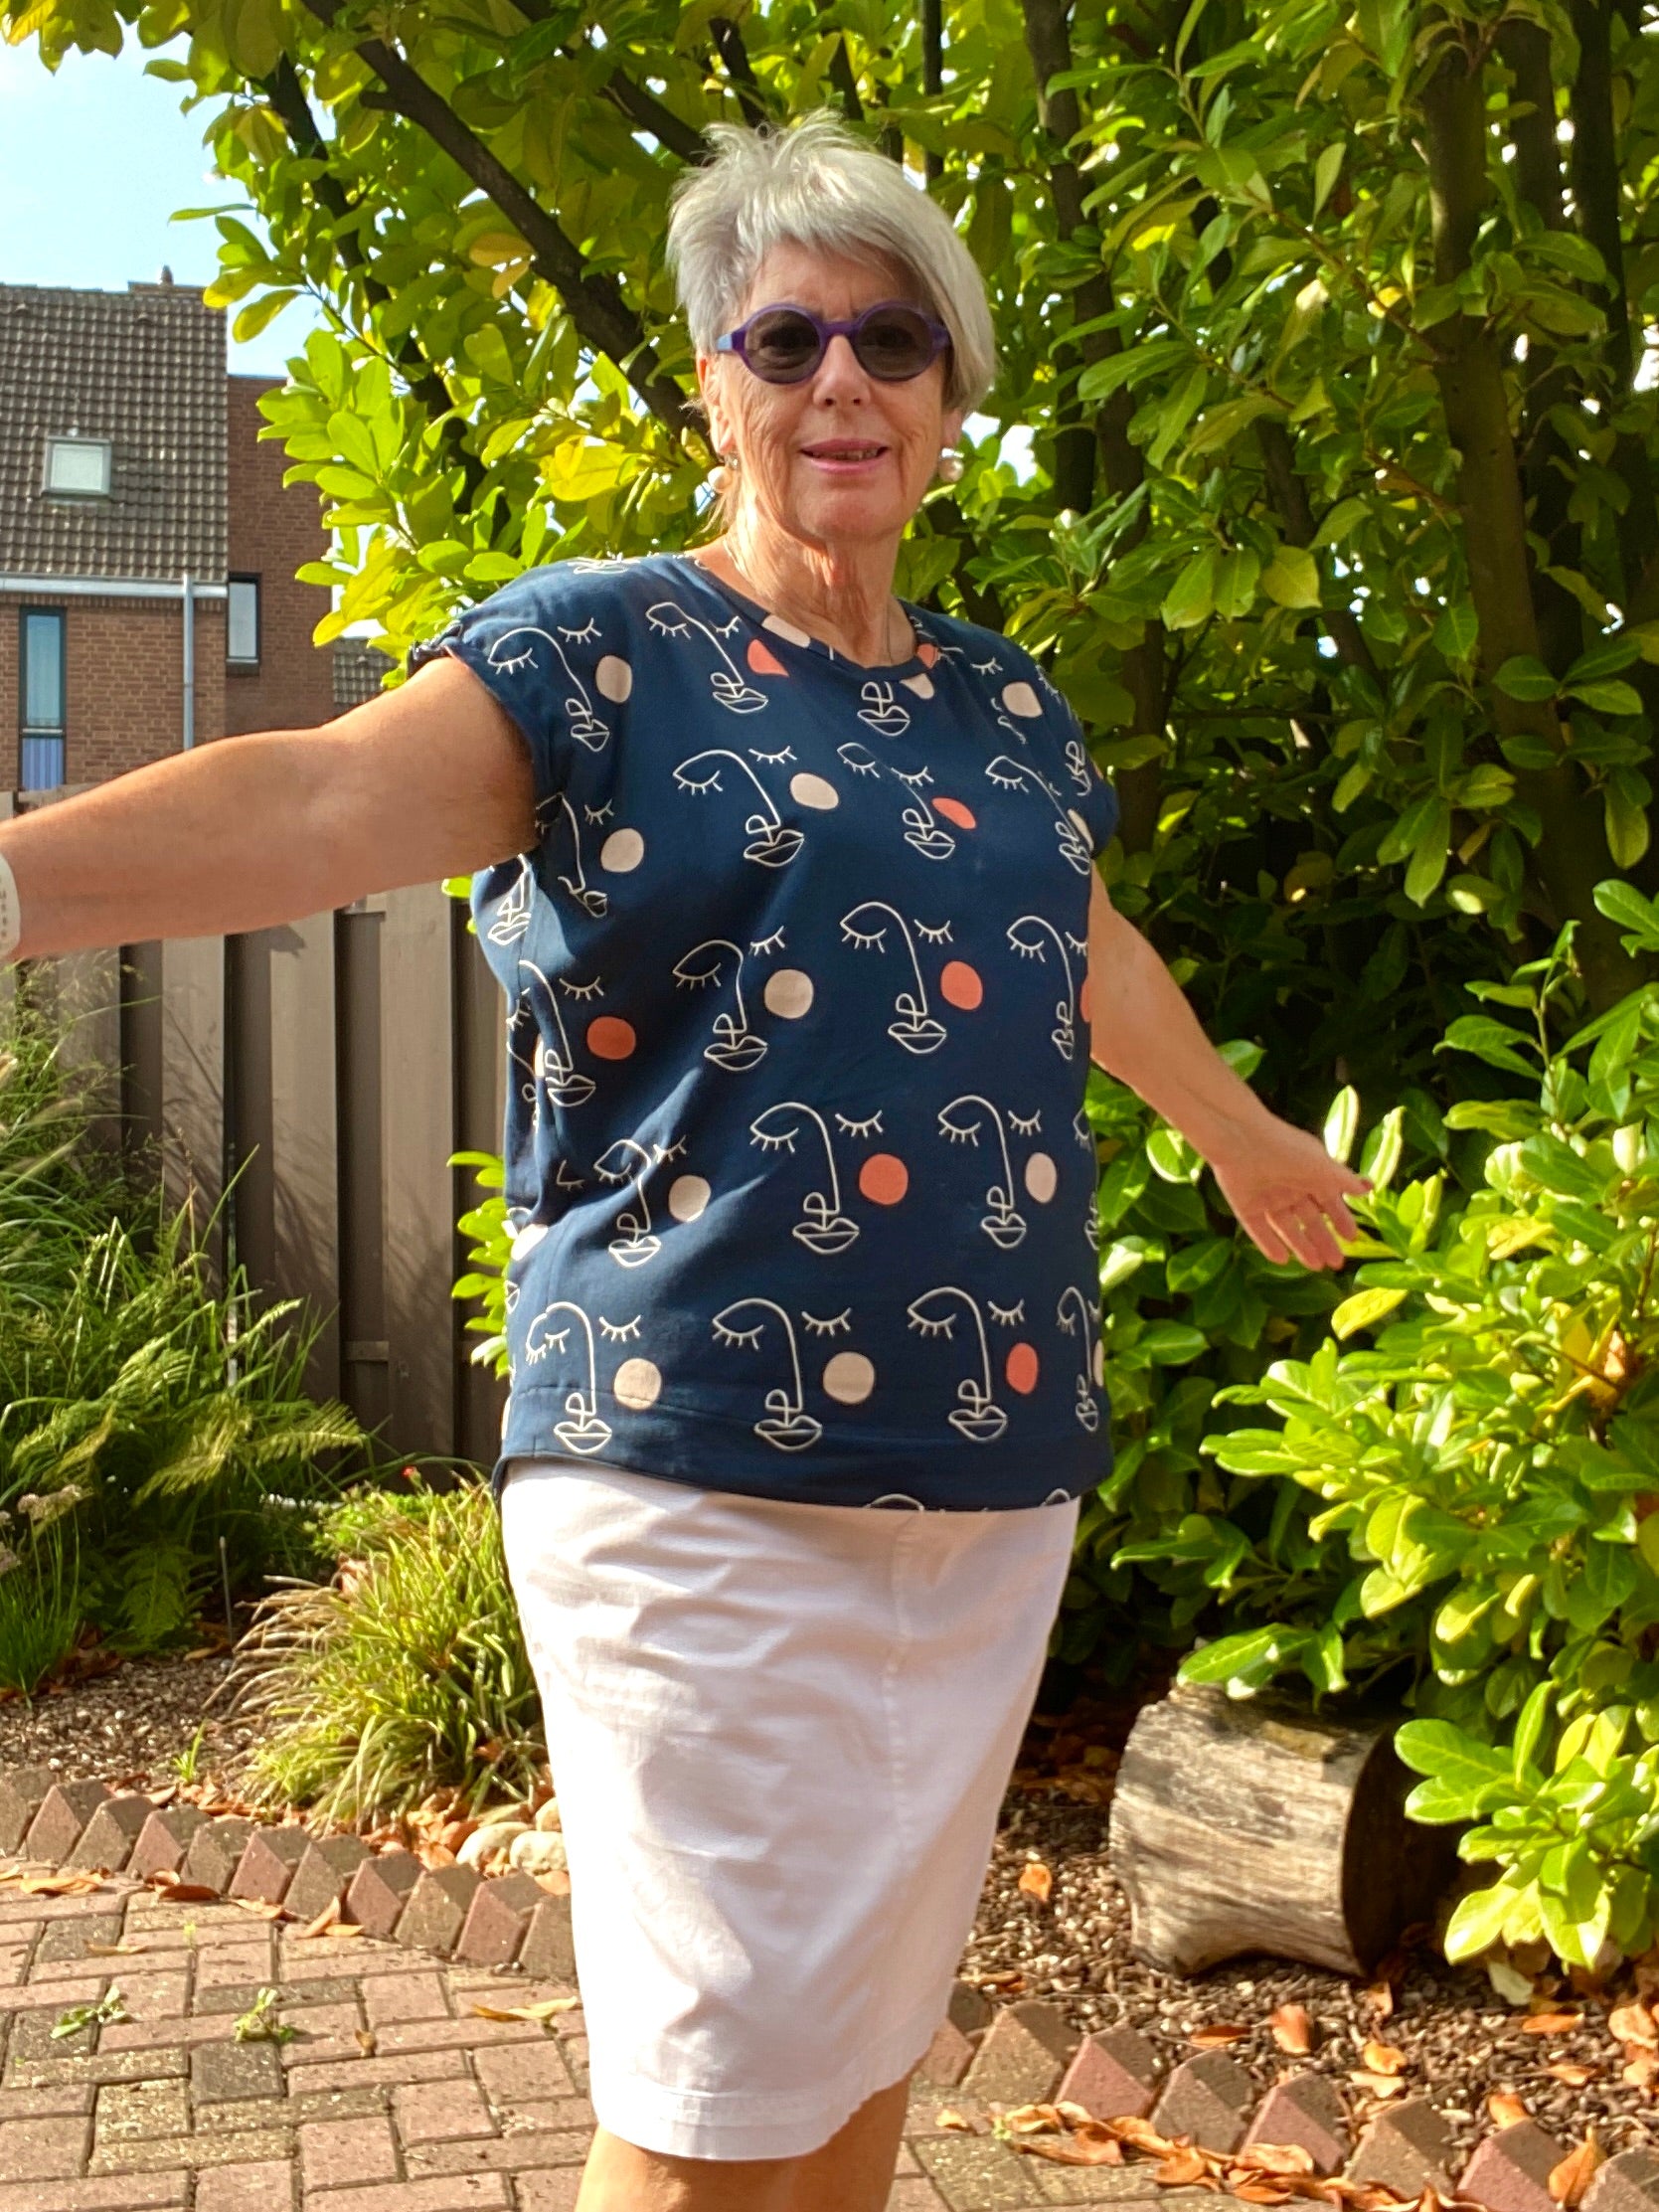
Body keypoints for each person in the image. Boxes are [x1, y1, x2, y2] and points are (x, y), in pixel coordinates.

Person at [5, 110, 1368, 2212]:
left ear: (949, 397)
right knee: (718, 2070)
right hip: (693, 1466)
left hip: (988, 1471)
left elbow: (1081, 940)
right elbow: (316, 803)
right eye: (786, 337)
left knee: (864, 2040)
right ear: (714, 387)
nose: (842, 380)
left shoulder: (1005, 712)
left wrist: (1241, 1134)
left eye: (894, 341)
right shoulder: (602, 652)